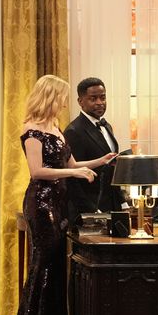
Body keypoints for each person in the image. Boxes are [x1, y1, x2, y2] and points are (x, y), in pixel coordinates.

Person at [0, 75, 114, 315]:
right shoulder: (32, 129)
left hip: (58, 202)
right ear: (50, 96)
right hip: (42, 203)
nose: (64, 102)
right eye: (61, 97)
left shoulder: (55, 127)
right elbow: (38, 171)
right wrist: (74, 174)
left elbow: (70, 164)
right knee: (43, 268)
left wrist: (98, 162)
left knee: (55, 268)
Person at [64, 77, 128, 223]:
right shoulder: (74, 131)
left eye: (103, 97)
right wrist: (91, 210)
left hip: (111, 204)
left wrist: (121, 201)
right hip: (90, 209)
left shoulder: (107, 126)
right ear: (80, 102)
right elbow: (72, 178)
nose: (100, 102)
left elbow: (112, 169)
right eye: (93, 99)